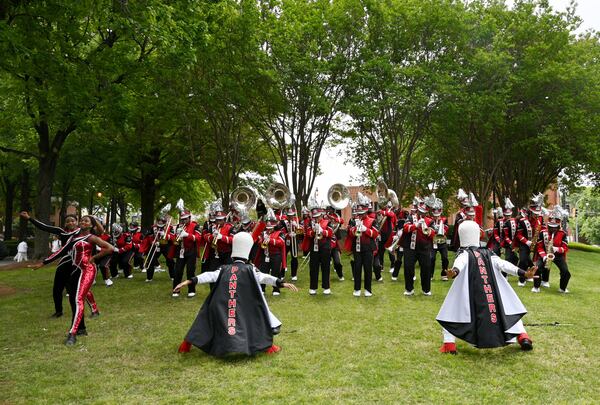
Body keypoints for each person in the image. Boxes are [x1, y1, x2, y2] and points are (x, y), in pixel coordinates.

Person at [173, 232, 299, 357]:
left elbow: (209, 275)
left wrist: (190, 281)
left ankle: (187, 343)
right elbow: (264, 277)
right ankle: (268, 346)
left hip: (223, 304)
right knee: (258, 316)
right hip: (241, 305)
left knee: (205, 315)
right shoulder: (250, 269)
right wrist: (280, 283)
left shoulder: (224, 268)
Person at [436, 220, 536, 354]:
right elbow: (504, 264)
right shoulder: (488, 253)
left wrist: (454, 272)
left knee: (451, 310)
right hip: (492, 290)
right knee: (506, 310)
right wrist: (523, 273)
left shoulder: (465, 254)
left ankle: (449, 344)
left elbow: (460, 263)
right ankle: (523, 336)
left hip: (468, 292)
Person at [21, 211, 81, 316]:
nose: (70, 223)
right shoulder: (61, 232)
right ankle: (58, 311)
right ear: (65, 224)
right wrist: (29, 218)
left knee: (76, 289)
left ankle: (83, 311)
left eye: (73, 221)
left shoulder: (81, 232)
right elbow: (44, 227)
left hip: (77, 263)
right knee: (57, 288)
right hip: (64, 262)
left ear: (77, 222)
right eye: (68, 221)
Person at [345, 194, 380, 297]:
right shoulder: (354, 220)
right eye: (359, 213)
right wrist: (356, 227)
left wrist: (366, 229)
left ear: (366, 211)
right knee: (357, 268)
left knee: (368, 269)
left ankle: (368, 289)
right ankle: (357, 289)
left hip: (368, 248)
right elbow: (350, 233)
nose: (360, 215)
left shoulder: (372, 220)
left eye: (362, 213)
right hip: (357, 247)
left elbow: (376, 234)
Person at [532, 205, 571, 293]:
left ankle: (562, 288)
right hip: (545, 254)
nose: (553, 229)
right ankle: (536, 287)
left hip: (558, 256)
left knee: (566, 272)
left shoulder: (563, 234)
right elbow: (539, 247)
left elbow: (565, 247)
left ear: (558, 226)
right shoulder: (543, 233)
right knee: (537, 268)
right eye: (551, 227)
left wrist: (557, 249)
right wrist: (544, 256)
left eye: (555, 227)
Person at [301, 204, 334, 295]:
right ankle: (313, 287)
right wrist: (313, 231)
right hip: (314, 247)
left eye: (317, 216)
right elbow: (307, 233)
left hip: (325, 247)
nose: (316, 218)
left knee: (325, 267)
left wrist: (322, 231)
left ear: (321, 215)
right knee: (313, 268)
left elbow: (330, 233)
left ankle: (326, 287)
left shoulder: (328, 222)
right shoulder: (310, 223)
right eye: (314, 217)